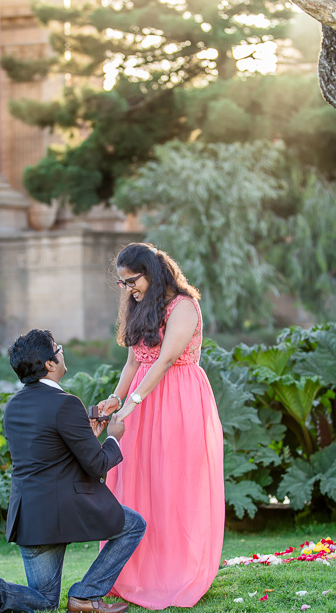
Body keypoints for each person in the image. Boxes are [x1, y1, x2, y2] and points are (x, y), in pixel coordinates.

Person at [0, 329, 145, 613]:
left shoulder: (13, 407)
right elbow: (96, 464)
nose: (61, 352)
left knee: (46, 601)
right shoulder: (66, 403)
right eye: (57, 348)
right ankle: (85, 595)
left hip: (30, 516)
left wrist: (87, 435)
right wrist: (113, 437)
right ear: (50, 363)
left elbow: (49, 454)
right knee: (134, 525)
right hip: (66, 509)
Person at [94, 242, 225, 609]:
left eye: (130, 281)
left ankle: (175, 572)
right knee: (136, 481)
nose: (127, 289)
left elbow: (165, 360)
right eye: (122, 284)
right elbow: (135, 363)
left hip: (177, 402)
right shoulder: (140, 307)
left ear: (150, 272)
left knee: (172, 484)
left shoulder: (184, 306)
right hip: (141, 401)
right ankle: (129, 571)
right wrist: (116, 399)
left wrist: (132, 405)